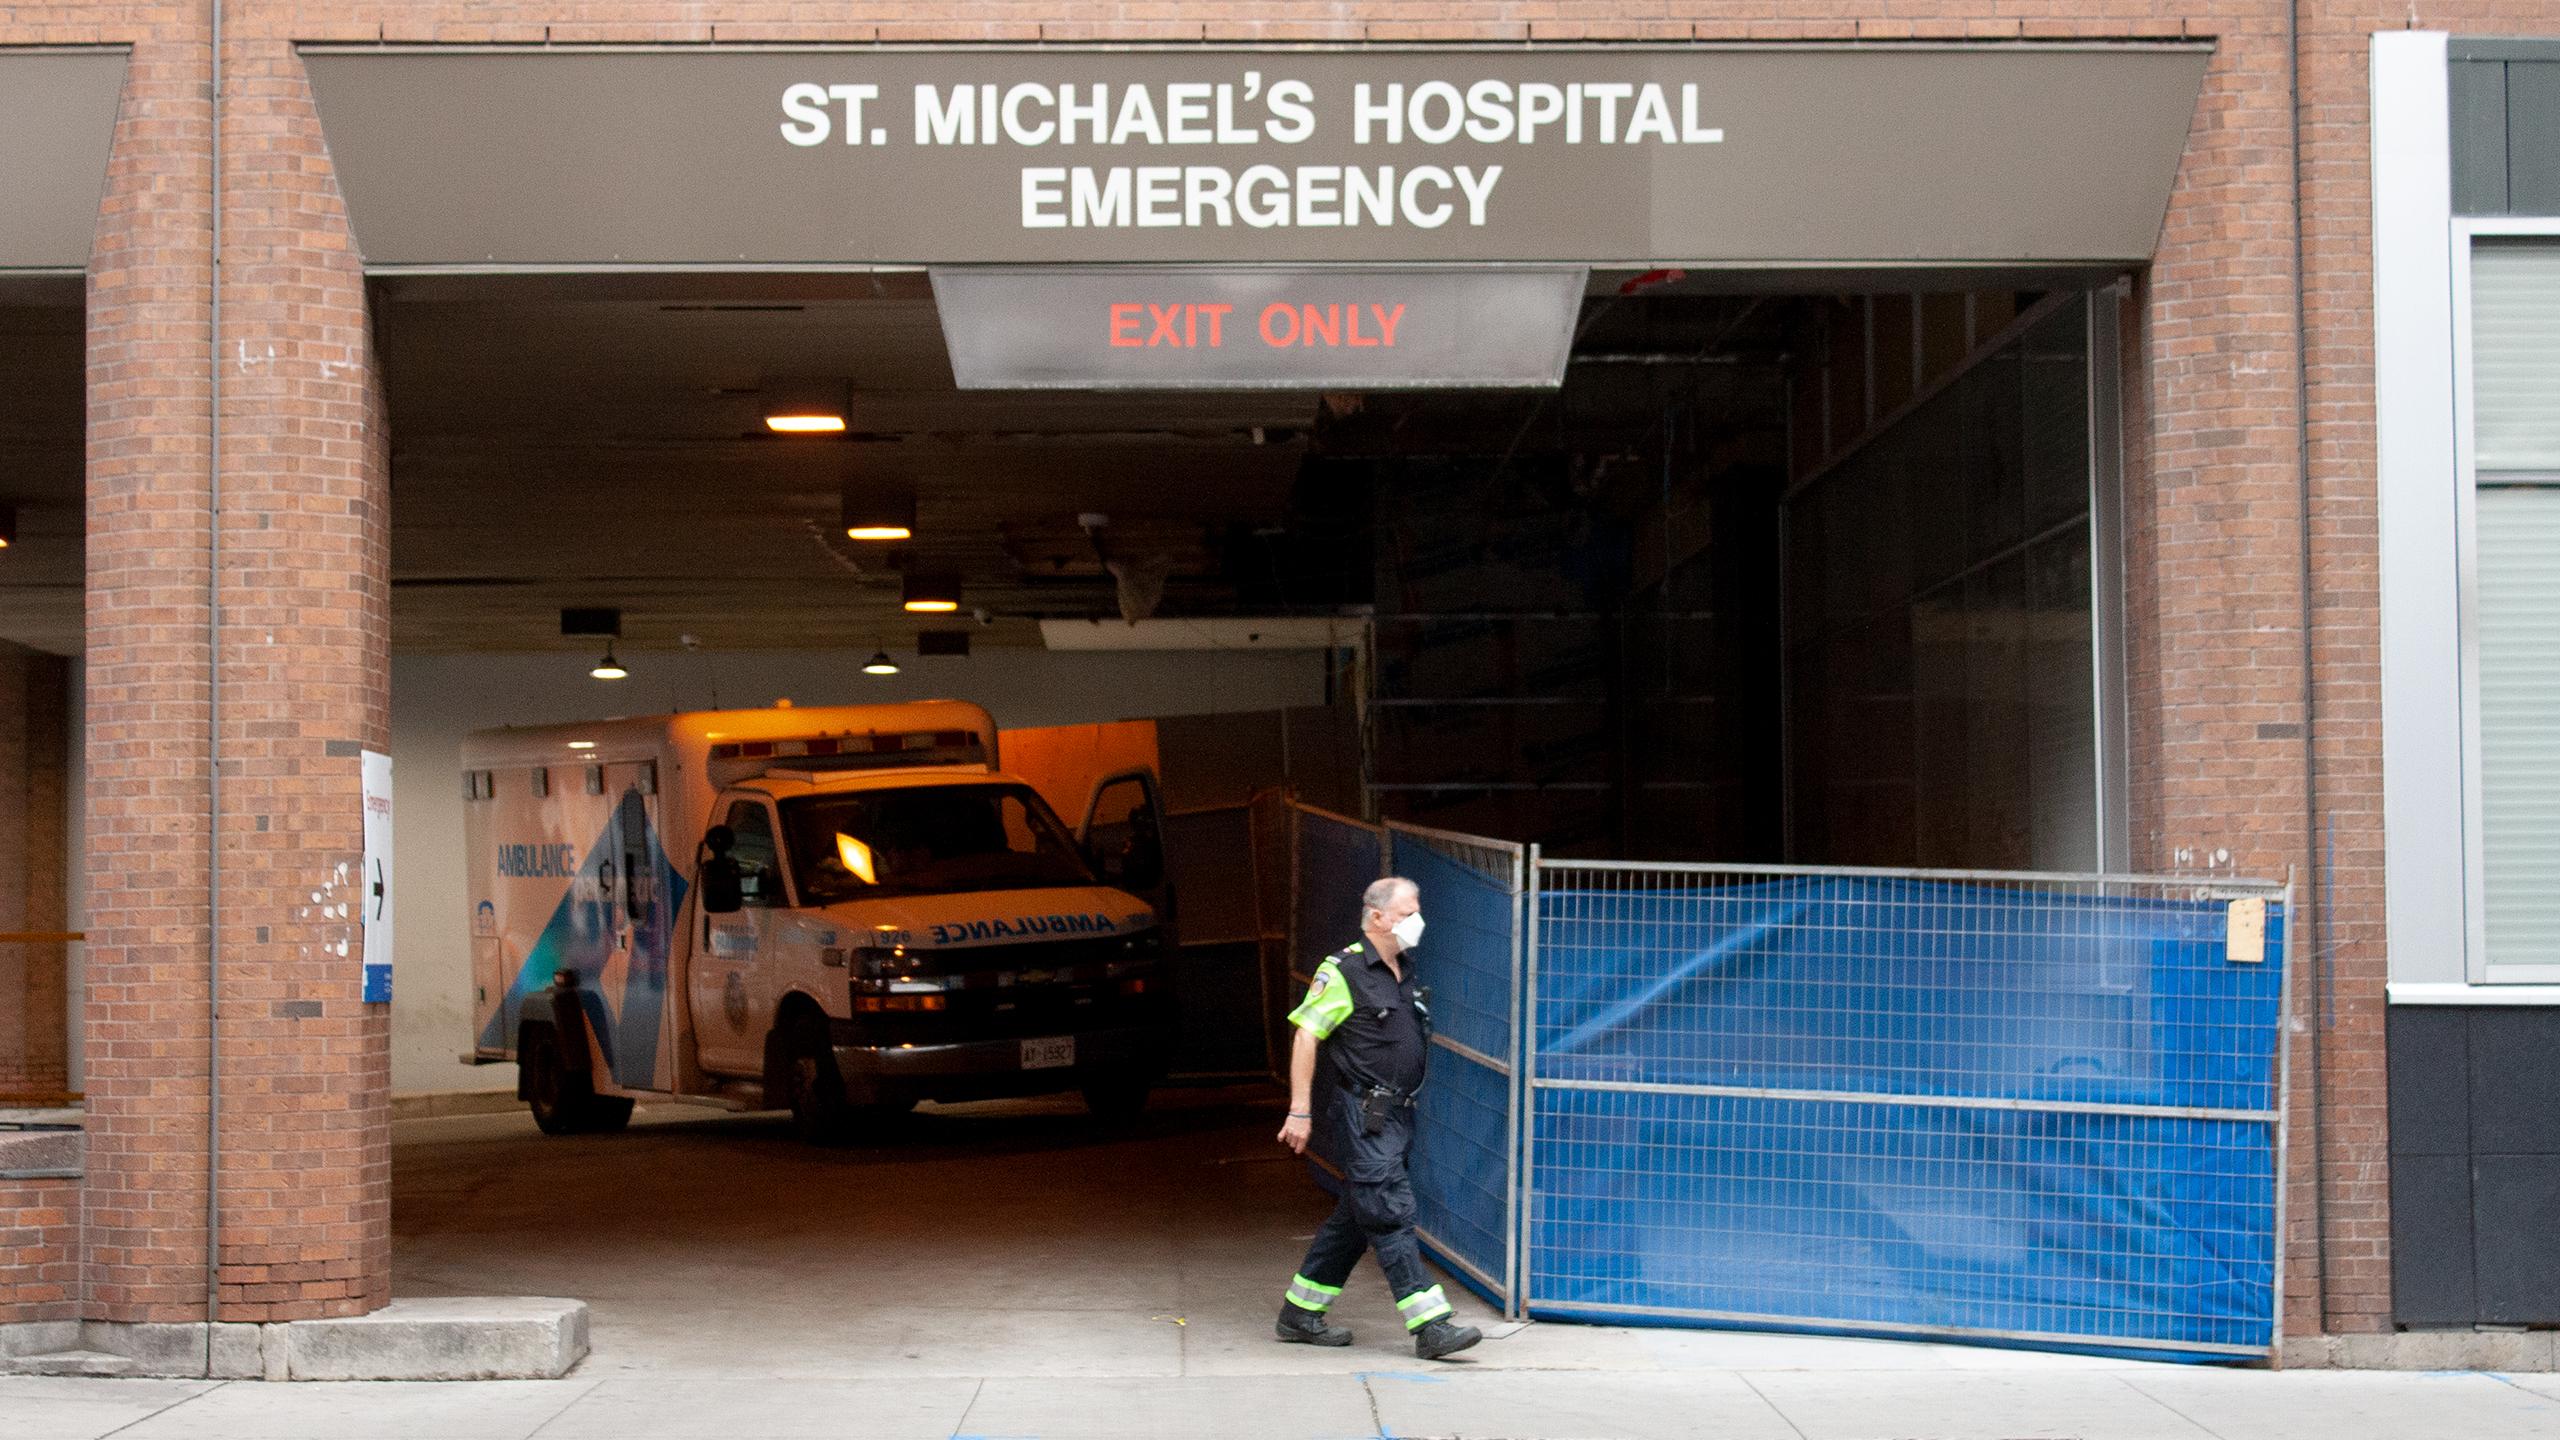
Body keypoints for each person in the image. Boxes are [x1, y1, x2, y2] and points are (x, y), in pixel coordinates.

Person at [1272, 875, 1483, 1361]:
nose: (1417, 921)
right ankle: (1430, 1325)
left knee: (1357, 1215)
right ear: (1377, 917)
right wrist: (1299, 1110)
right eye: (1408, 913)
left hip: (1396, 1117)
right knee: (1389, 1212)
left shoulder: (1403, 969)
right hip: (1364, 1114)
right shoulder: (1345, 971)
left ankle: (1299, 1314)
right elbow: (1307, 1034)